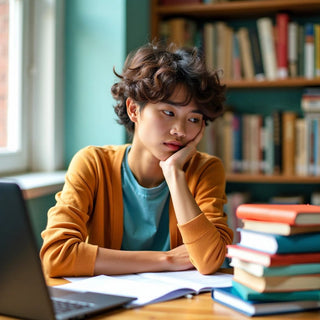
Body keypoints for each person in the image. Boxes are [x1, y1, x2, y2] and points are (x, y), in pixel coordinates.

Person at [40, 42, 233, 277]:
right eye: (168, 113)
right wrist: (168, 259)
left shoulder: (205, 169)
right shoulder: (93, 164)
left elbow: (209, 260)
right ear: (133, 110)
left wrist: (174, 174)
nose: (180, 131)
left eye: (193, 119)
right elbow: (56, 256)